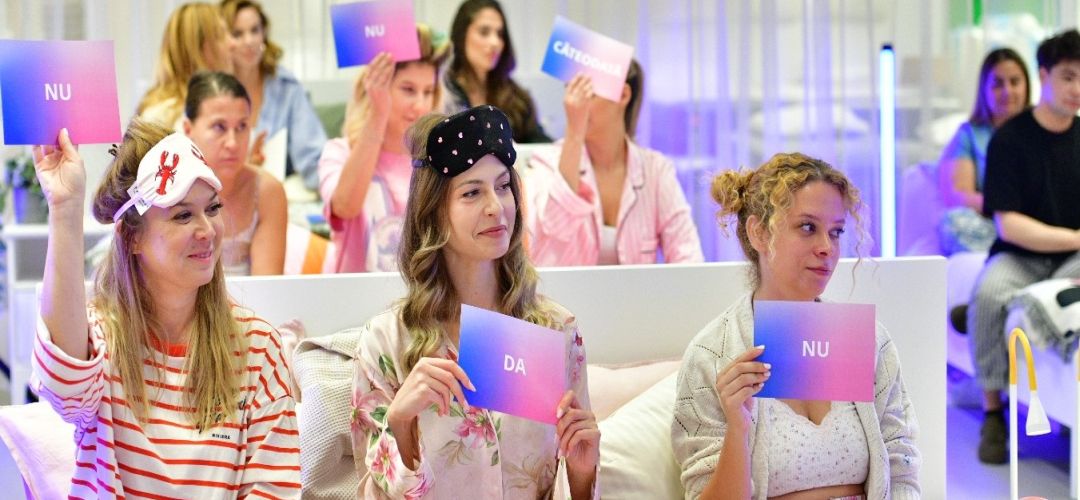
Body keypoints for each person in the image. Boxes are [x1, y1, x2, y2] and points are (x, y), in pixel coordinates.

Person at [29, 122, 299, 497]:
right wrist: (64, 207)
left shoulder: (258, 348)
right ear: (131, 237)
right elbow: (63, 389)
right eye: (182, 215)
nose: (207, 230)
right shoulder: (100, 339)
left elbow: (274, 489)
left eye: (212, 208)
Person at [350, 106, 599, 498]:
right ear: (433, 212)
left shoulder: (556, 330)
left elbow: (566, 480)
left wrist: (583, 475)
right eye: (471, 192)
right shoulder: (387, 343)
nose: (495, 206)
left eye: (503, 186)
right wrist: (400, 423)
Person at [671, 153, 920, 499]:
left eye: (836, 232)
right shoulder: (712, 356)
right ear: (758, 233)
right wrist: (737, 429)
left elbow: (901, 467)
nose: (826, 248)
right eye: (807, 227)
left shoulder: (868, 342)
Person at [968, 28, 1080, 464]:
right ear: (1044, 75)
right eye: (1068, 77)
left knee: (1063, 301)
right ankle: (993, 413)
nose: (1077, 89)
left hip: (1073, 259)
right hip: (1019, 255)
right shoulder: (1010, 139)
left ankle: (1069, 411)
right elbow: (1009, 225)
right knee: (988, 296)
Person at [525, 61, 703, 265]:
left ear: (623, 95)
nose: (574, 103)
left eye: (586, 92)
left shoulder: (656, 170)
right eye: (571, 91)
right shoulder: (546, 162)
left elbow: (688, 255)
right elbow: (555, 228)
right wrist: (574, 132)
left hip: (637, 288)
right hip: (561, 287)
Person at [318, 25, 447, 273]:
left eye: (428, 92)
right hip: (350, 292)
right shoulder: (339, 152)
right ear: (378, 86)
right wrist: (378, 113)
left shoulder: (438, 160)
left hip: (418, 292)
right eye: (408, 90)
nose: (420, 105)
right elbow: (344, 207)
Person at [183, 71, 287, 275]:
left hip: (252, 297)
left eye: (242, 126)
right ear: (188, 130)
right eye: (219, 127)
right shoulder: (170, 191)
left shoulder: (267, 191)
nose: (232, 143)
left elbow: (268, 286)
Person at [221, 0, 329, 190]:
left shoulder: (287, 86)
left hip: (278, 192)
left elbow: (313, 159)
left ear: (264, 33)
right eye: (237, 34)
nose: (249, 41)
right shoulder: (212, 91)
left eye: (255, 30)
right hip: (224, 195)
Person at [938, 48, 1030, 255]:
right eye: (998, 84)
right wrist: (1006, 210)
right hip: (991, 223)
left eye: (1015, 82)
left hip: (1037, 223)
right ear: (984, 89)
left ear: (1027, 85)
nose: (1007, 91)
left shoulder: (1041, 130)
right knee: (953, 222)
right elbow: (958, 196)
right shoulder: (969, 135)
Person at [443, 0, 551, 143]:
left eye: (500, 34)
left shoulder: (517, 98)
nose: (495, 42)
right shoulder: (443, 93)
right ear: (461, 36)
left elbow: (541, 144)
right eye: (484, 32)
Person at [137, 2, 234, 128]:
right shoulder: (162, 115)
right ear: (196, 48)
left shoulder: (220, 101)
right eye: (220, 36)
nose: (232, 44)